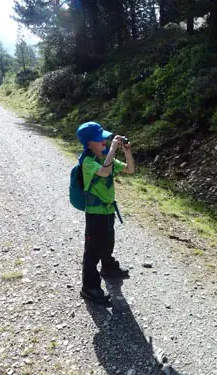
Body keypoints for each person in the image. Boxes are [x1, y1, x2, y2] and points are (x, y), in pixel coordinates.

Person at [76, 121, 135, 303]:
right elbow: (104, 172)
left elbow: (130, 169)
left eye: (105, 139)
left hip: (108, 210)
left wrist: (126, 151)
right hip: (95, 212)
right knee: (92, 250)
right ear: (88, 144)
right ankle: (89, 288)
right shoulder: (87, 161)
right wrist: (112, 150)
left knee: (108, 241)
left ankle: (109, 267)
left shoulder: (103, 156)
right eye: (99, 140)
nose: (104, 142)